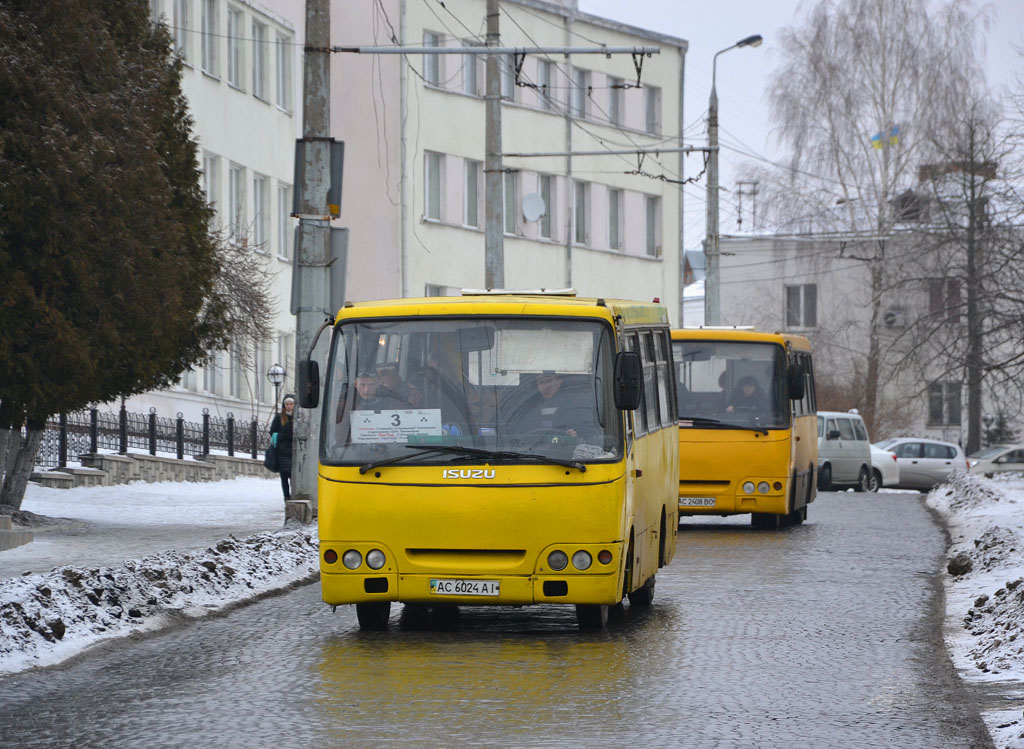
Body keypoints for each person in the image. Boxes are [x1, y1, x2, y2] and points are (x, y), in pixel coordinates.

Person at [507, 372, 592, 441]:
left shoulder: (575, 406)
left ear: (559, 382)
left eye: (549, 381)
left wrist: (575, 435)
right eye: (541, 382)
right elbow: (519, 435)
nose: (545, 386)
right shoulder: (529, 409)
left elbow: (590, 434)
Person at [269, 394, 295, 502]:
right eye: (287, 404)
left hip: (294, 451)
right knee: (284, 475)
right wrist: (280, 436)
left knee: (293, 475)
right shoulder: (279, 417)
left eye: (291, 404)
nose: (289, 406)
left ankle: (294, 494)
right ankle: (286, 496)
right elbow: (272, 431)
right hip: (282, 451)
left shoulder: (297, 417)